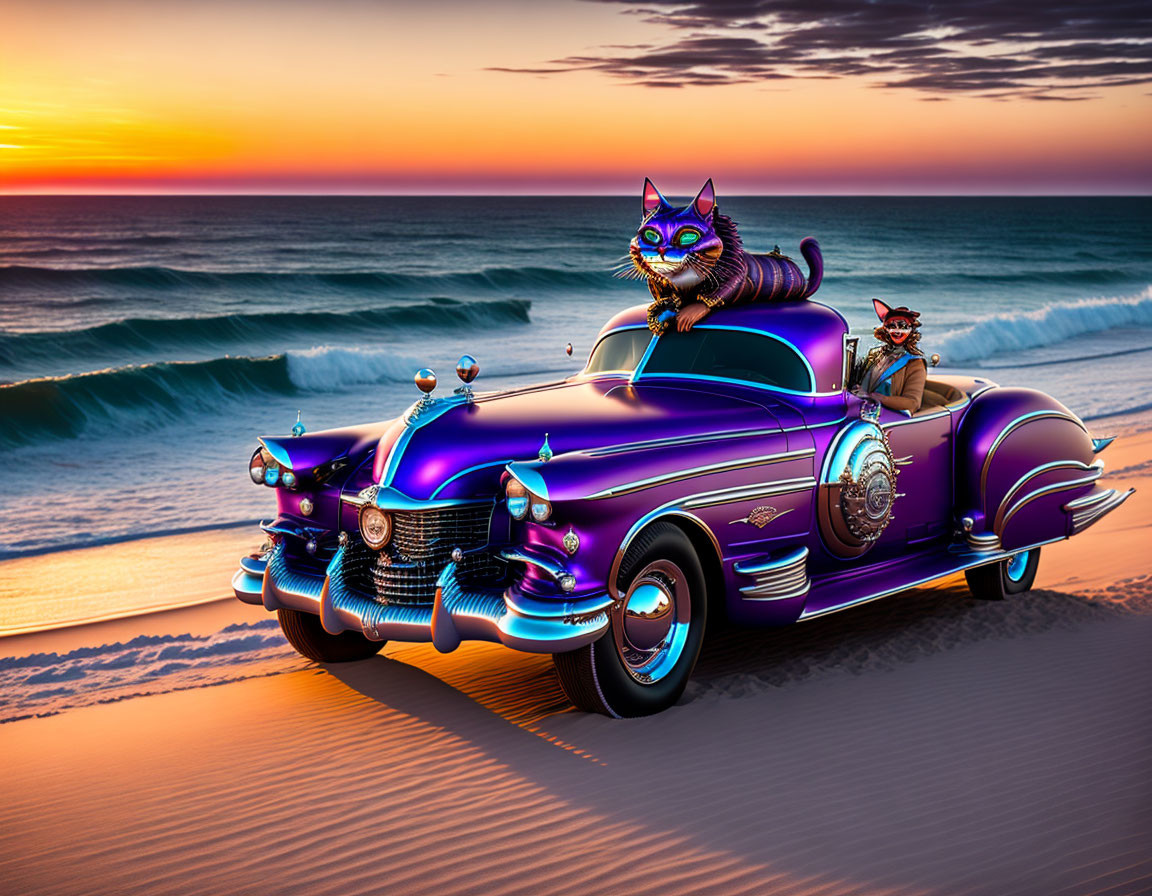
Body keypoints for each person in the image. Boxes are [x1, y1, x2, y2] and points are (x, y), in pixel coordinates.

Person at [852, 299, 927, 414]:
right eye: (892, 325)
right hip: (862, 409)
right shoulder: (876, 354)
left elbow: (913, 403)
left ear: (911, 329)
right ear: (885, 329)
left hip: (888, 416)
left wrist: (877, 398)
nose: (897, 330)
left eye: (902, 326)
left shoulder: (915, 363)